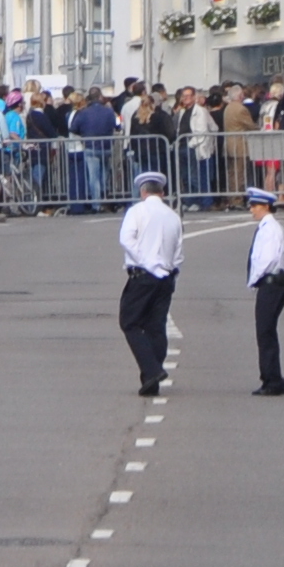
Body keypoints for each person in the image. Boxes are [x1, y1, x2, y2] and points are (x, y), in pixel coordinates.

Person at [115, 168, 183, 397]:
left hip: (143, 275)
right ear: (162, 192)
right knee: (156, 326)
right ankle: (150, 381)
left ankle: (152, 370)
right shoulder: (173, 215)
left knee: (130, 322)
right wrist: (169, 269)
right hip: (166, 276)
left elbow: (127, 239)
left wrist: (148, 262)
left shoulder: (137, 211)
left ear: (143, 191)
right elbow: (178, 251)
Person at [245, 186, 284, 394]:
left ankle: (273, 380)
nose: (252, 210)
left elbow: (268, 259)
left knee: (265, 333)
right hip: (270, 284)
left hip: (271, 284)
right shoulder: (267, 227)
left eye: (254, 206)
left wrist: (254, 280)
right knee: (265, 332)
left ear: (265, 206)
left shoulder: (271, 229)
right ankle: (269, 377)